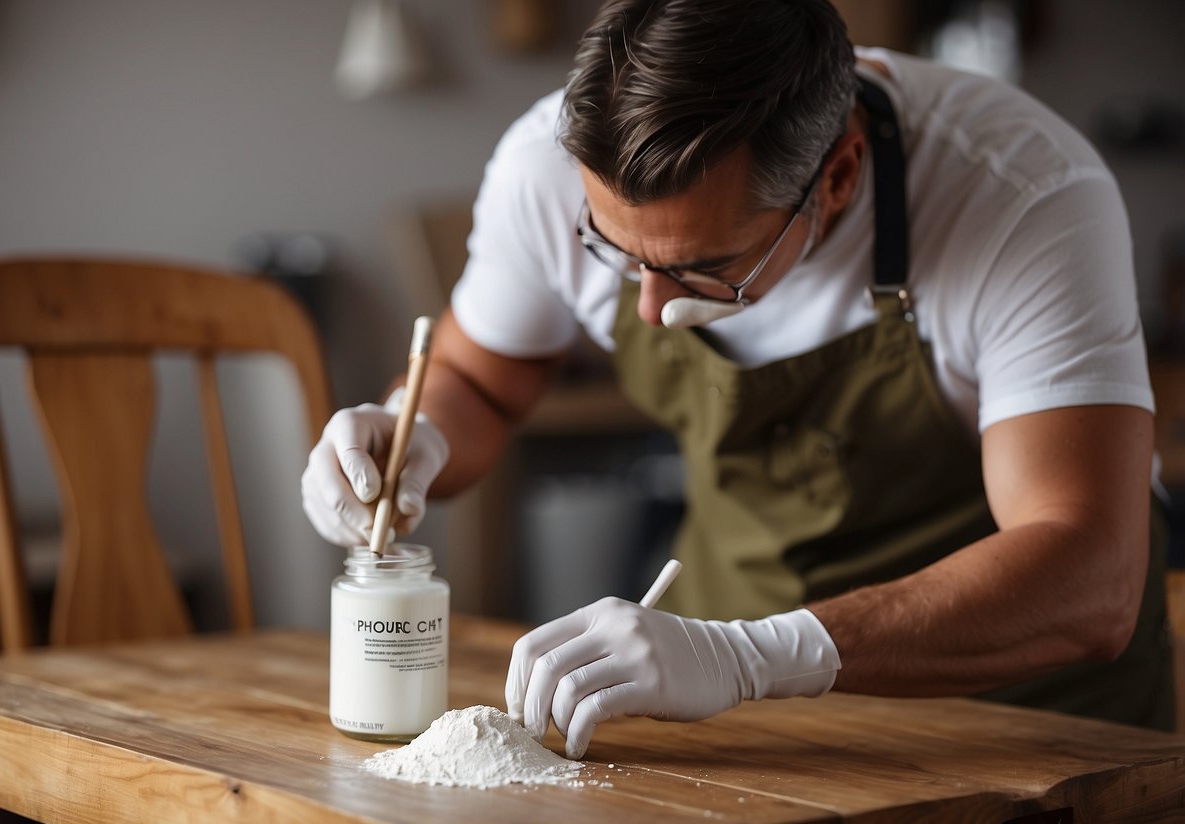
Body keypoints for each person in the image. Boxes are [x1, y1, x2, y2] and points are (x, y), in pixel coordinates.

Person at [301, 0, 1174, 760]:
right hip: (729, 718)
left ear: (835, 178)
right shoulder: (542, 168)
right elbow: (477, 381)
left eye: (700, 269)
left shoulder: (1018, 197)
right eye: (615, 252)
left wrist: (752, 656)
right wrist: (413, 435)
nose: (646, 310)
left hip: (1019, 724)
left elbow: (1087, 577)